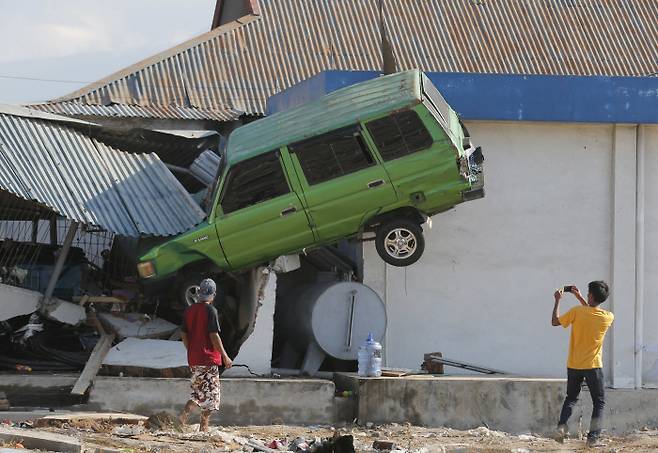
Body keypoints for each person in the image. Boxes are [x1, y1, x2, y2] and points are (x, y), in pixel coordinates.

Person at [551, 281, 614, 447]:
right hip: (593, 366)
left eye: (587, 294)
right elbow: (591, 312)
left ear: (591, 296)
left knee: (571, 398)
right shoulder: (608, 317)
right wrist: (579, 297)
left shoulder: (577, 312)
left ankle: (561, 430)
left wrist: (557, 300)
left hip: (574, 365)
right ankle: (592, 439)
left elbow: (555, 321)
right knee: (599, 402)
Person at [179, 278, 232, 431]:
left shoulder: (189, 310)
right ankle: (204, 427)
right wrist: (225, 356)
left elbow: (183, 333)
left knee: (198, 392)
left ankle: (181, 419)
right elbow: (214, 336)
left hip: (194, 359)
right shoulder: (211, 311)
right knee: (212, 395)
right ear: (213, 295)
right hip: (208, 359)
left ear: (200, 292)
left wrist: (191, 349)